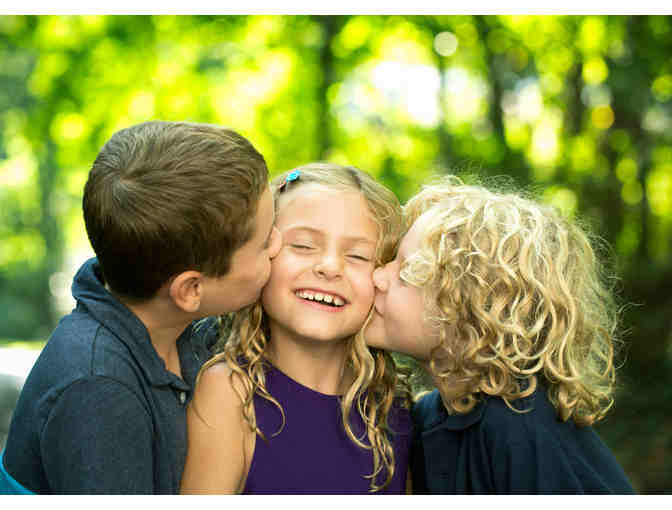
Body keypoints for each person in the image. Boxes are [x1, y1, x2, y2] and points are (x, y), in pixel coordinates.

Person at [0, 121, 281, 494]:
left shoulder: (186, 328)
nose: (279, 244)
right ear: (191, 289)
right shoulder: (98, 391)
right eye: (264, 243)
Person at [365, 175, 636, 494]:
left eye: (406, 272)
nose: (377, 276)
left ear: (474, 309)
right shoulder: (430, 415)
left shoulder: (520, 426)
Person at [180, 163, 412, 494]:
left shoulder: (392, 408)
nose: (330, 267)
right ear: (261, 256)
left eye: (359, 256)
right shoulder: (230, 392)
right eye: (303, 246)